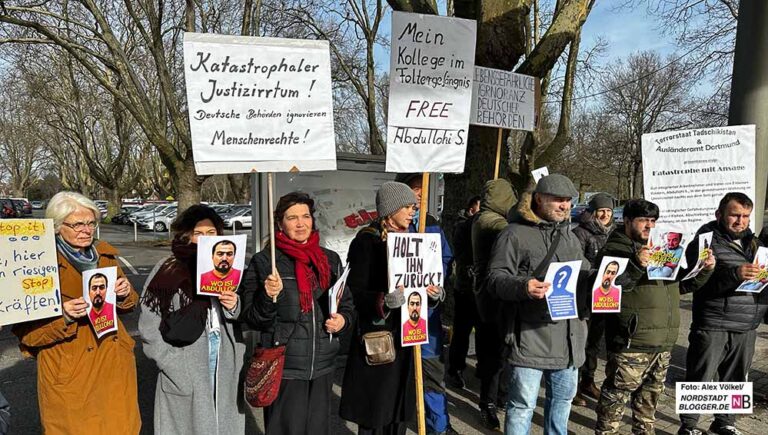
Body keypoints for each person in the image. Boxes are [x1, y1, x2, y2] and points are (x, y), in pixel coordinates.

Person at [12, 191, 141, 434]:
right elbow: (28, 335)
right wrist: (65, 316)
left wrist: (125, 294)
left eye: (91, 223)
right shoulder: (36, 264)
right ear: (59, 227)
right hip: (69, 371)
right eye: (78, 224)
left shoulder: (105, 255)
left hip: (114, 364)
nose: (86, 230)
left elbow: (129, 305)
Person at [594, 199, 715, 434]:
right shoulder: (614, 249)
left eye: (653, 221)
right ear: (627, 221)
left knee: (649, 404)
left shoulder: (662, 248)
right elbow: (607, 290)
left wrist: (705, 269)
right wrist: (636, 264)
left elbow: (681, 286)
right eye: (643, 220)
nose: (649, 226)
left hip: (662, 342)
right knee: (616, 398)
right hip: (632, 342)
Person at [241, 192, 354, 435]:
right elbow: (252, 318)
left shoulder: (329, 260)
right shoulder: (265, 262)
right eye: (292, 218)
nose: (300, 223)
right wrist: (268, 296)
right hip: (285, 366)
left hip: (323, 365)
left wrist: (343, 321)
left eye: (305, 216)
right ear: (280, 223)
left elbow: (347, 304)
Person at [486, 174, 589, 435]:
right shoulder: (513, 234)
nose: (564, 206)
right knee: (522, 406)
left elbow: (584, 273)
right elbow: (495, 278)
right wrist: (524, 286)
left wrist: (614, 273)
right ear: (539, 199)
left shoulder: (569, 236)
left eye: (568, 201)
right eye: (558, 200)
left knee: (562, 404)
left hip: (569, 338)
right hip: (530, 337)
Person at [139, 205, 246, 435]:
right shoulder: (168, 269)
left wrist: (233, 305)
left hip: (224, 357)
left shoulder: (231, 265)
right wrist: (171, 363)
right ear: (186, 234)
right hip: (185, 359)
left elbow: (244, 317)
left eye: (211, 233)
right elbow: (149, 326)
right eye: (199, 233)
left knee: (222, 421)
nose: (205, 239)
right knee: (188, 426)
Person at [340, 181, 433, 435]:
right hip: (379, 339)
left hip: (407, 337)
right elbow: (354, 292)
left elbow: (419, 285)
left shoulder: (413, 240)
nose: (413, 210)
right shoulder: (366, 242)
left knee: (398, 413)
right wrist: (383, 300)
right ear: (390, 210)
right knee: (376, 413)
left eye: (413, 206)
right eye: (407, 206)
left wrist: (432, 294)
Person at [678, 192, 768, 435]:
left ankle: (725, 422)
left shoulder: (756, 243)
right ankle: (689, 426)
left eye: (746, 216)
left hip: (747, 323)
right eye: (735, 215)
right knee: (701, 376)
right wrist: (734, 275)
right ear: (720, 215)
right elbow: (696, 283)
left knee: (736, 378)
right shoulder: (705, 241)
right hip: (713, 321)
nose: (741, 221)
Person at [395, 173, 455, 435]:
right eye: (414, 189)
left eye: (422, 189)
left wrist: (437, 286)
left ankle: (438, 426)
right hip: (395, 320)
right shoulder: (387, 229)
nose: (419, 194)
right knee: (396, 379)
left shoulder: (431, 225)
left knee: (431, 375)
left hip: (426, 318)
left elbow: (445, 260)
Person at [469, 179, 516, 430]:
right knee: (494, 355)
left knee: (498, 353)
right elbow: (510, 233)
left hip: (491, 295)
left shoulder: (484, 218)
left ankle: (497, 397)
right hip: (492, 297)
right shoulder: (490, 222)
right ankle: (488, 403)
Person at [573, 192, 616, 405]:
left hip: (606, 295)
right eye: (602, 211)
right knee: (581, 341)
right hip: (585, 293)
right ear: (593, 212)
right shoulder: (581, 233)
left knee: (594, 343)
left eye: (608, 211)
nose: (605, 214)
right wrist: (596, 272)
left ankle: (588, 381)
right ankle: (573, 387)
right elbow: (577, 260)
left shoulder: (614, 233)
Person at [447, 195, 481, 390]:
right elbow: (462, 253)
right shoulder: (462, 226)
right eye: (479, 210)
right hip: (465, 287)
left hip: (480, 289)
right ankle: (455, 369)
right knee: (461, 331)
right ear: (470, 210)